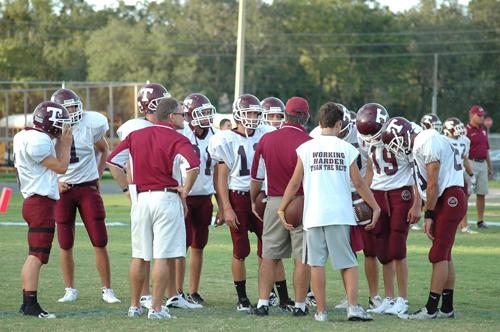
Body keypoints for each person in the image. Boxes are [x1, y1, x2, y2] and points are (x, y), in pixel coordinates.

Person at [278, 102, 380, 322]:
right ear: (339, 124)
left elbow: (295, 183)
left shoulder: (306, 148)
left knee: (316, 264)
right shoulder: (347, 148)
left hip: (313, 213)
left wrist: (282, 207)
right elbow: (360, 184)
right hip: (340, 213)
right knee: (348, 263)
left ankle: (321, 312)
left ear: (319, 122)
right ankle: (353, 307)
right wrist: (375, 206)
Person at [107, 97, 200, 320]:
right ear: (170, 116)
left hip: (140, 200)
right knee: (162, 257)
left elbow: (112, 162)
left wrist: (126, 189)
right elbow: (194, 166)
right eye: (181, 114)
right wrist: (185, 190)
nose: (184, 118)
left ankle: (134, 306)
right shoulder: (178, 139)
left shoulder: (136, 135)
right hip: (165, 198)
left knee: (139, 256)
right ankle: (157, 309)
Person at [381, 117, 466, 320]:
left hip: (449, 197)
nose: (396, 150)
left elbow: (433, 183)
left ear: (401, 138)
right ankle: (446, 307)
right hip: (446, 197)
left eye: (395, 144)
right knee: (445, 253)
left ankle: (430, 309)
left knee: (437, 254)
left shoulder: (427, 140)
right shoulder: (423, 141)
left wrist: (428, 213)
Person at [50, 89, 120, 304]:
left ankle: (107, 289)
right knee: (65, 242)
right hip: (63, 190)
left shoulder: (91, 122)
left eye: (74, 105)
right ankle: (70, 289)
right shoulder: (49, 129)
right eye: (67, 107)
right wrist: (55, 182)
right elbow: (42, 162)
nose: (72, 110)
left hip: (88, 187)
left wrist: (98, 174)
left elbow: (104, 149)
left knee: (99, 239)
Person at [107, 83, 171, 310]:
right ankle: (146, 297)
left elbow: (114, 162)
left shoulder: (138, 127)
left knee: (145, 250)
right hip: (151, 191)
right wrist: (127, 188)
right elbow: (120, 162)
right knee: (150, 251)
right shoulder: (137, 127)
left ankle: (146, 299)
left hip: (142, 193)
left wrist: (127, 189)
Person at [208, 94, 274, 312]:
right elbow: (221, 178)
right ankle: (242, 297)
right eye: (249, 113)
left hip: (261, 196)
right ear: (238, 114)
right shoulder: (225, 139)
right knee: (241, 249)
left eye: (256, 113)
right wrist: (225, 207)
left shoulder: (266, 134)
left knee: (268, 248)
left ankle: (269, 295)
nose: (253, 118)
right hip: (237, 196)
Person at [250, 96, 312, 316]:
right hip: (303, 201)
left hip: (275, 200)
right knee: (301, 257)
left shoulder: (267, 140)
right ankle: (300, 305)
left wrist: (253, 200)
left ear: (285, 115)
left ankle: (262, 303)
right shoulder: (309, 142)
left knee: (269, 255)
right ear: (305, 117)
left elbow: (256, 177)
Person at [358, 105, 422, 316]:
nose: (370, 138)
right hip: (377, 194)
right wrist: (364, 197)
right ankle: (388, 297)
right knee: (383, 251)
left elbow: (416, 170)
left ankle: (402, 298)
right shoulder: (368, 139)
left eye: (373, 133)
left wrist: (417, 202)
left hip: (399, 194)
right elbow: (369, 169)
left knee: (397, 247)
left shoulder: (402, 132)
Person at [14, 101, 72, 318]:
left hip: (34, 201)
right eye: (60, 123)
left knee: (36, 254)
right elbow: (61, 167)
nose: (63, 128)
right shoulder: (39, 140)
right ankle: (30, 305)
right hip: (40, 203)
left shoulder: (27, 135)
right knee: (36, 255)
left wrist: (58, 142)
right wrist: (66, 144)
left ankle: (27, 303)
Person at [173, 93, 218, 306]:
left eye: (209, 112)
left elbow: (220, 173)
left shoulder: (215, 135)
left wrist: (221, 203)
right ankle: (177, 290)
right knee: (182, 245)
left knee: (199, 245)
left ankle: (193, 290)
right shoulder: (182, 134)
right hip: (185, 197)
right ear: (191, 115)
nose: (207, 117)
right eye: (203, 112)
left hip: (205, 198)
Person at [443, 117, 476, 234]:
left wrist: (471, 174)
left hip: (459, 175)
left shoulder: (465, 140)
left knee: (462, 201)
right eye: (455, 129)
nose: (458, 131)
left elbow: (464, 158)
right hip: (445, 176)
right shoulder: (442, 140)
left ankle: (463, 225)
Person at [466, 105, 493, 229]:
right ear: (472, 115)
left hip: (482, 164)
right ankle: (463, 222)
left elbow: (486, 150)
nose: (482, 118)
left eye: (483, 115)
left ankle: (480, 221)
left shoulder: (483, 130)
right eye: (479, 115)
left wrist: (490, 167)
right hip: (471, 163)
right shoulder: (466, 130)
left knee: (481, 193)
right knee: (466, 193)